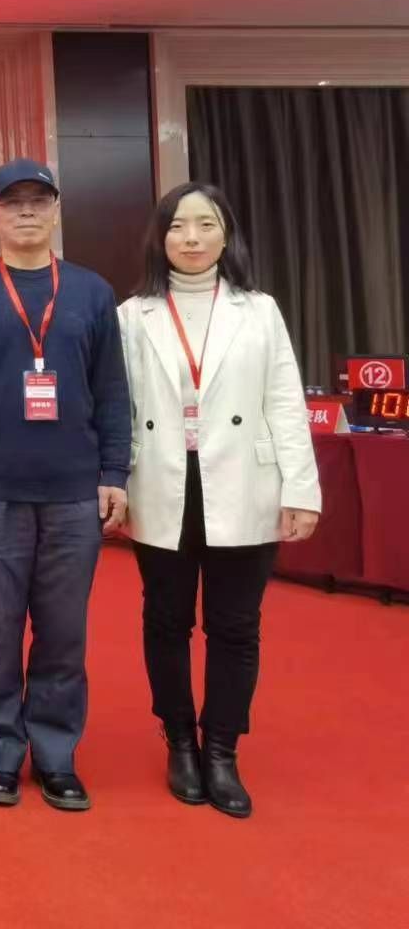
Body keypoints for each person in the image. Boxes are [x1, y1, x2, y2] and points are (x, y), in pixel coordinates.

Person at [117, 182, 321, 819]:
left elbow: (285, 402)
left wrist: (301, 488)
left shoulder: (259, 310)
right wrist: (113, 481)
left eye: (205, 224)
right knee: (166, 620)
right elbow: (119, 408)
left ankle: (223, 749)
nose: (192, 238)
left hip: (242, 480)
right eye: (178, 226)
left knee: (235, 626)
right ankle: (179, 741)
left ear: (226, 234)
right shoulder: (133, 314)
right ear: (160, 238)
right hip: (162, 480)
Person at [0, 159, 130, 812]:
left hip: (75, 490)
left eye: (38, 201)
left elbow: (112, 390)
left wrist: (114, 472)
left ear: (55, 211)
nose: (25, 211)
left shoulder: (91, 292)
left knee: (63, 632)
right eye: (12, 201)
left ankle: (55, 755)